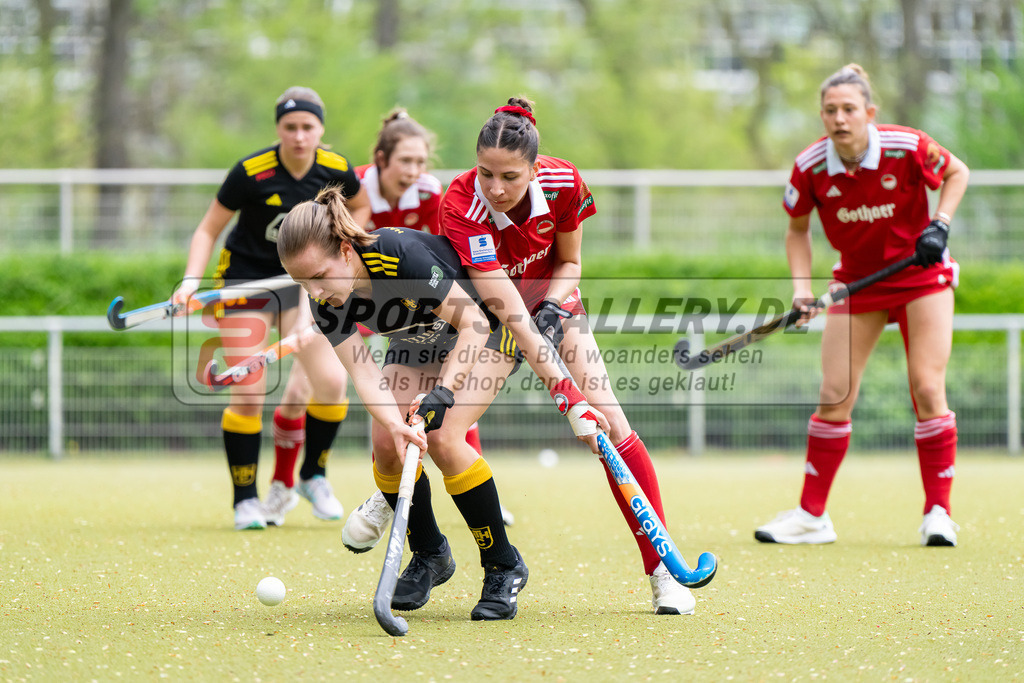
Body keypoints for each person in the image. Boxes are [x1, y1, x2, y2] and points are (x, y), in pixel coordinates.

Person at [276, 186, 605, 621]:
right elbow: (364, 374)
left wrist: (442, 392)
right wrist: (396, 426)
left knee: (446, 437)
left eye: (319, 276)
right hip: (419, 340)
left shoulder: (399, 255)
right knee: (387, 443)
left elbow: (471, 323)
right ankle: (430, 554)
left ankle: (503, 566)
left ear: (344, 248)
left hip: (487, 327)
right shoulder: (328, 303)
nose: (315, 293)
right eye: (303, 284)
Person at [436, 97, 700, 616]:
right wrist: (566, 392)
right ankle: (458, 552)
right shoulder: (460, 203)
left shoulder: (563, 183)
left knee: (614, 432)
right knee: (443, 435)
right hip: (496, 319)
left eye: (510, 176)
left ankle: (664, 573)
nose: (495, 188)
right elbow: (504, 307)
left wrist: (555, 306)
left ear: (534, 169)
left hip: (554, 307)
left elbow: (571, 261)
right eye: (485, 172)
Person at [753, 64, 969, 547]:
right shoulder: (810, 166)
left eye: (850, 109)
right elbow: (797, 230)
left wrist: (941, 224)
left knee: (927, 388)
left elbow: (957, 172)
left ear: (870, 113)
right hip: (857, 283)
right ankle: (812, 517)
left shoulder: (907, 146)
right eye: (830, 110)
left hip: (922, 276)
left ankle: (938, 512)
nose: (839, 118)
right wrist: (802, 290)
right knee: (835, 394)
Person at [172, 86, 371, 531]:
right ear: (279, 129)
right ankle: (246, 499)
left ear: (321, 129)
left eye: (308, 127)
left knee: (332, 382)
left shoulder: (336, 169)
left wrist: (340, 268)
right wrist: (189, 280)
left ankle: (313, 475)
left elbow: (361, 213)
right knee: (249, 391)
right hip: (247, 281)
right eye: (290, 127)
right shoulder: (250, 172)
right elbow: (207, 230)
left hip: (306, 281)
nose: (299, 136)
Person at [342, 109, 512, 553]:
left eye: (421, 162)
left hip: (437, 294)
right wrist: (333, 310)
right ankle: (395, 492)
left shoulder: (431, 193)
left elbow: (445, 254)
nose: (415, 172)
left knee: (441, 418)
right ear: (381, 160)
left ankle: (452, 472)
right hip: (380, 299)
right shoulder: (355, 194)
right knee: (389, 417)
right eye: (406, 162)